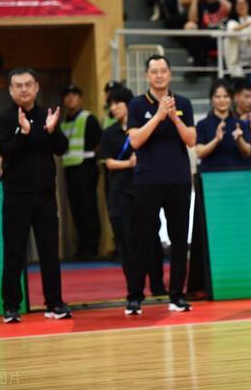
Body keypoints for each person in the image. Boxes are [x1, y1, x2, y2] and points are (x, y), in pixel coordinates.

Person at [0, 67, 71, 323]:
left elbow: (62, 148)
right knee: (14, 252)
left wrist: (52, 130)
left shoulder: (47, 114)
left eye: (28, 84)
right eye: (18, 85)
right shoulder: (4, 119)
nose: (24, 89)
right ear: (10, 90)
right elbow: (6, 151)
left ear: (36, 87)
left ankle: (54, 303)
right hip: (16, 196)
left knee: (49, 252)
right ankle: (11, 307)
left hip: (46, 196)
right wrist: (23, 133)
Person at [125, 54, 196, 315]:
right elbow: (135, 141)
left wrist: (174, 117)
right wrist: (158, 116)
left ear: (170, 74)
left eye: (163, 70)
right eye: (154, 71)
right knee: (142, 239)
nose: (159, 75)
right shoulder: (136, 104)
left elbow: (191, 139)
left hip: (178, 180)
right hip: (147, 181)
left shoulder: (183, 103)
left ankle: (177, 295)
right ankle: (135, 296)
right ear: (147, 75)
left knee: (179, 239)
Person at [99, 87, 167, 297]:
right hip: (120, 191)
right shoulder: (109, 132)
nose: (114, 108)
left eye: (118, 103)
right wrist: (128, 164)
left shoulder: (144, 127)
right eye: (111, 104)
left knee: (152, 237)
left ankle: (158, 285)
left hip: (144, 189)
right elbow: (108, 162)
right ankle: (134, 288)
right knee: (125, 241)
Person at [60, 84, 102, 259]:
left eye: (74, 95)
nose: (70, 99)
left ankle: (92, 248)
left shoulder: (88, 118)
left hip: (86, 168)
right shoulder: (63, 123)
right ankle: (82, 247)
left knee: (88, 207)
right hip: (70, 169)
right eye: (67, 96)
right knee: (76, 209)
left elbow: (99, 142)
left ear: (80, 99)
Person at [195, 79, 251, 171]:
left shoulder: (240, 123)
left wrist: (239, 140)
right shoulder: (202, 124)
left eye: (226, 96)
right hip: (210, 175)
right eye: (217, 97)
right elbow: (199, 153)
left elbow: (248, 152)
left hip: (236, 174)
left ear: (231, 99)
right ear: (211, 99)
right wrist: (216, 140)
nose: (222, 100)